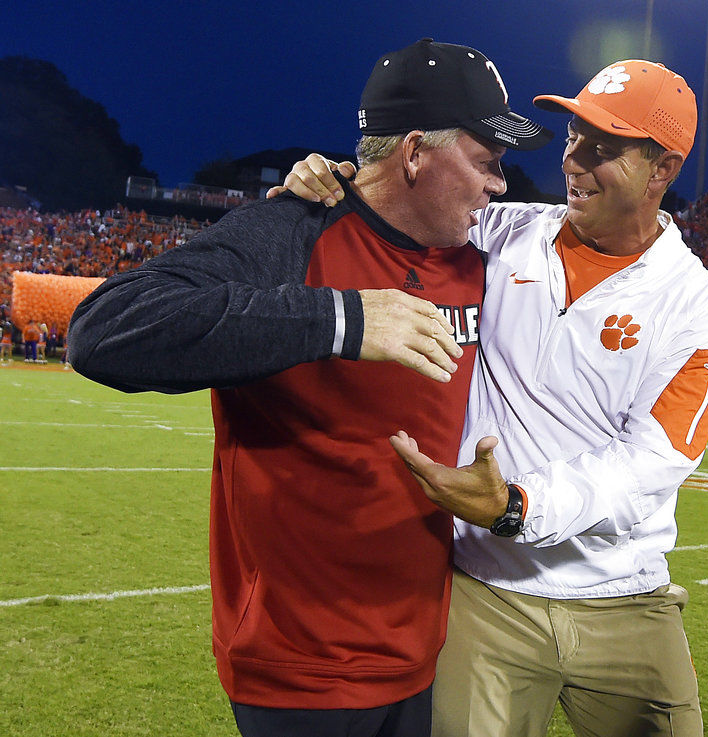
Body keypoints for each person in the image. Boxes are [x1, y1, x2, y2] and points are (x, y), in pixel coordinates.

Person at [67, 38, 551, 737]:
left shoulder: (483, 259)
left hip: (425, 653)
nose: (500, 184)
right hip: (298, 668)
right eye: (486, 161)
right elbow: (104, 329)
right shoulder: (290, 230)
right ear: (414, 153)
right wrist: (342, 316)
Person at [280, 58, 708, 737]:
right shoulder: (501, 231)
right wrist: (334, 182)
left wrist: (520, 507)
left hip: (624, 597)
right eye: (575, 137)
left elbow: (654, 461)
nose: (574, 160)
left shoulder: (696, 306)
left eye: (604, 148)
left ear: (663, 170)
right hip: (484, 591)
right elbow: (402, 211)